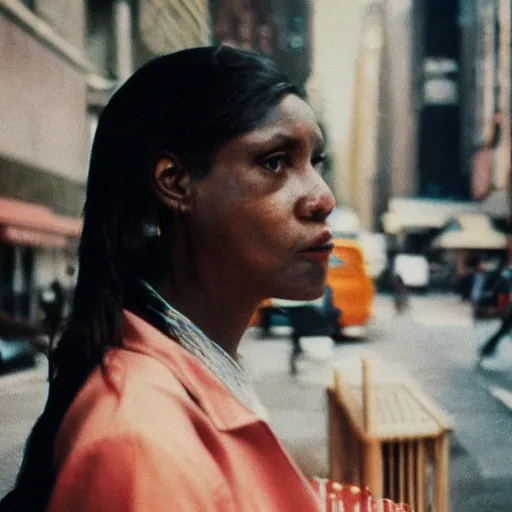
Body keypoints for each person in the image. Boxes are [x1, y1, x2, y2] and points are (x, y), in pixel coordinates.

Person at [0, 47, 406, 512]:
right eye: (274, 162)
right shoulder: (141, 445)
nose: (323, 197)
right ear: (175, 183)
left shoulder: (180, 379)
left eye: (316, 162)